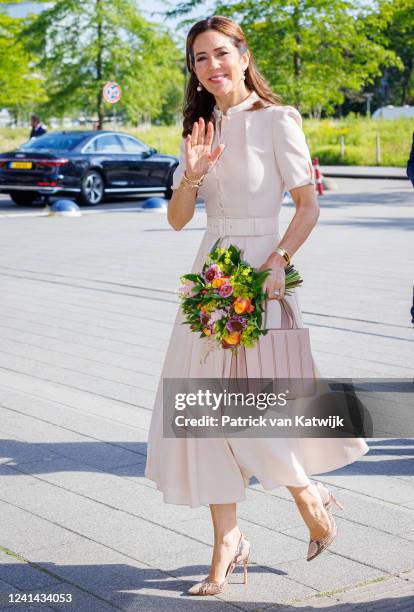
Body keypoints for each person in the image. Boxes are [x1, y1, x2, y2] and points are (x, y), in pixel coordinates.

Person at [144, 15, 369, 596]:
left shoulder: (277, 120)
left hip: (262, 273)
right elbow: (175, 221)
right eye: (199, 58)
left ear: (243, 55)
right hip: (208, 273)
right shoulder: (197, 126)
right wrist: (190, 177)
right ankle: (227, 542)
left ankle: (304, 490)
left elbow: (307, 205)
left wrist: (278, 263)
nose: (211, 66)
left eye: (220, 53)